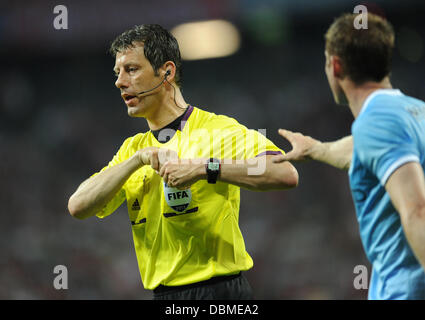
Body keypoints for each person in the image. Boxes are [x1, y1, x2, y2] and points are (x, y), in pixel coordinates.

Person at [67, 24, 299, 300]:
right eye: (118, 73)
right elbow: (78, 206)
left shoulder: (218, 130)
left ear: (166, 72)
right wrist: (135, 162)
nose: (119, 82)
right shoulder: (133, 149)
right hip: (164, 296)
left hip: (220, 293)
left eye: (131, 69)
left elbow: (285, 173)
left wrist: (205, 168)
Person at [273, 13, 425, 299]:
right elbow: (363, 149)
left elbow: (417, 210)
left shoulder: (377, 122)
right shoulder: (415, 112)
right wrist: (318, 149)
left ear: (336, 65)